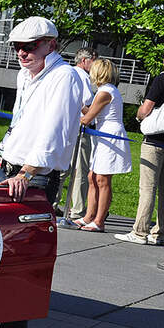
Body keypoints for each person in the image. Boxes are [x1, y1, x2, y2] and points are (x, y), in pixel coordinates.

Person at [0, 16, 82, 328]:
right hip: (14, 171)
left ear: (51, 43)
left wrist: (26, 173)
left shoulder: (64, 78)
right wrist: (3, 153)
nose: (21, 52)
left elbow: (54, 134)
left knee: (14, 269)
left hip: (32, 177)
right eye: (17, 46)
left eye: (30, 46)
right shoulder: (28, 75)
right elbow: (22, 121)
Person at [115, 42, 164, 245]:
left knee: (148, 188)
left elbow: (146, 107)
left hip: (155, 141)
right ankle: (160, 233)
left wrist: (140, 117)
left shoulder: (163, 79)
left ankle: (140, 232)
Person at [74, 59, 131, 232]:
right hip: (102, 136)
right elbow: (90, 113)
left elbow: (87, 119)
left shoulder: (105, 91)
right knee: (93, 177)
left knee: (102, 179)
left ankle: (99, 221)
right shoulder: (103, 91)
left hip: (110, 137)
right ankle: (88, 216)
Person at [56, 47, 97, 218]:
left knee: (62, 167)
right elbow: (85, 103)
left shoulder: (67, 73)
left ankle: (53, 201)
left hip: (66, 126)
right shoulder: (83, 77)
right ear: (84, 60)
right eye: (94, 60)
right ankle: (78, 209)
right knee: (80, 168)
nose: (95, 64)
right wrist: (95, 113)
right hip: (80, 128)